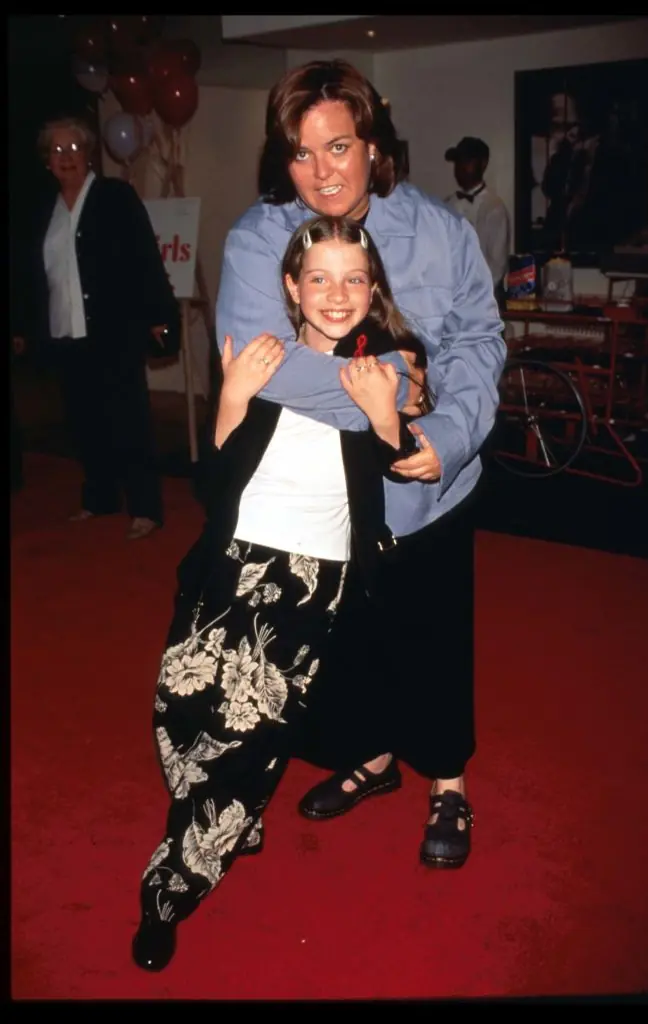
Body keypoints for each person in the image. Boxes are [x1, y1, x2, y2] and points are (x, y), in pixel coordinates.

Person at [214, 59, 506, 875]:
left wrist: (440, 436)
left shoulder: (440, 233)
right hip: (320, 499)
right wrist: (391, 399)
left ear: (371, 144)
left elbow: (479, 343)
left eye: (338, 146)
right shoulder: (257, 239)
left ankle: (447, 781)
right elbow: (268, 367)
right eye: (302, 154)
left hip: (430, 487)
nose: (322, 172)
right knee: (346, 645)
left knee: (433, 637)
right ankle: (374, 759)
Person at [132, 214, 433, 971]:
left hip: (311, 576)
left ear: (373, 290)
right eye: (320, 278)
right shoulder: (266, 355)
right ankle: (235, 808)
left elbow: (400, 470)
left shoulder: (387, 367)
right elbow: (214, 482)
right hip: (231, 561)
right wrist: (233, 395)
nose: (337, 294)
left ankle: (171, 887)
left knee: (246, 726)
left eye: (354, 279)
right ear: (292, 287)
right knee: (178, 705)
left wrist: (381, 418)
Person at [11, 116, 180, 540]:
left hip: (114, 330)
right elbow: (30, 275)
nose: (66, 157)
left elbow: (144, 255)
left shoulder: (114, 197)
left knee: (129, 420)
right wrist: (21, 325)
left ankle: (145, 509)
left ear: (89, 155)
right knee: (85, 422)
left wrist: (160, 315)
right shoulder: (41, 209)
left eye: (74, 149)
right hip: (64, 331)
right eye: (56, 150)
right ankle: (100, 498)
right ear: (46, 161)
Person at [444, 136, 511, 304]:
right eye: (457, 162)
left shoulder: (494, 208)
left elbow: (497, 265)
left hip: (482, 302)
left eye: (466, 161)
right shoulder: (446, 205)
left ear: (483, 164)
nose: (460, 168)